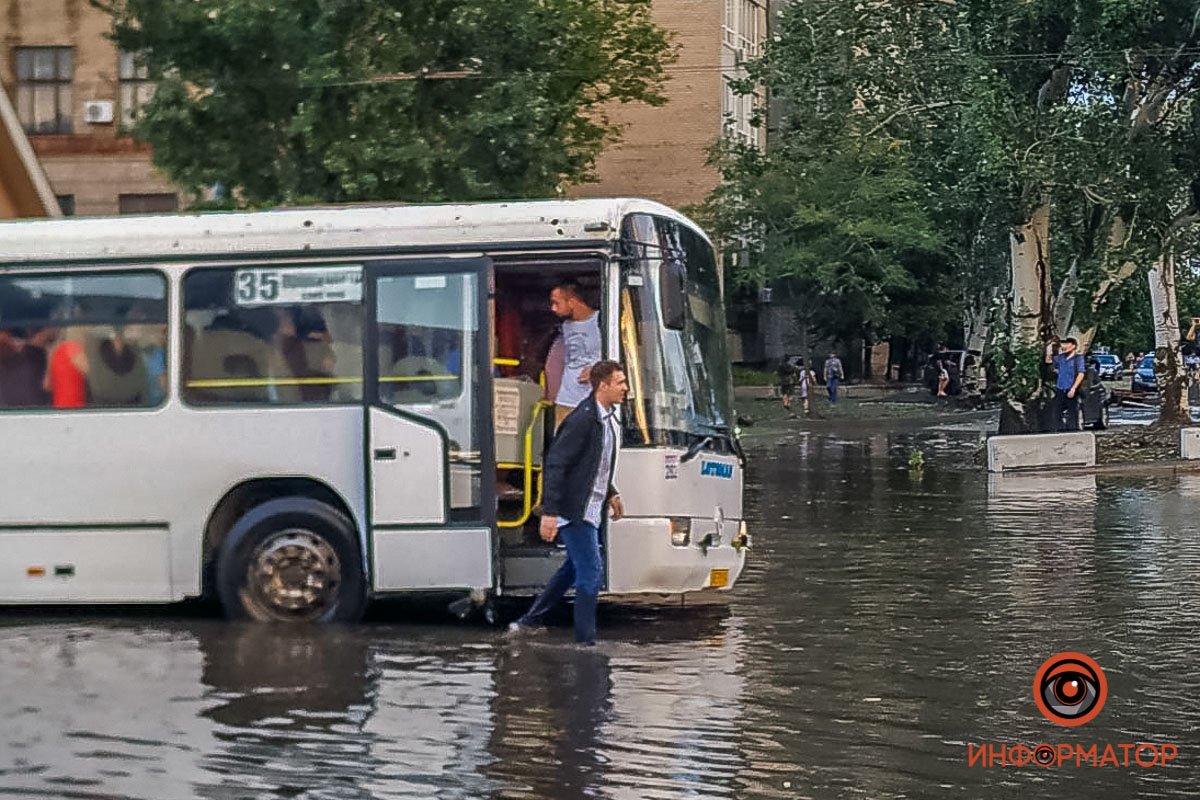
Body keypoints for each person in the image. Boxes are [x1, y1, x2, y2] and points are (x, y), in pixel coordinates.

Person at [508, 360, 628, 645]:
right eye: (620, 382)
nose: (625, 388)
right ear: (603, 385)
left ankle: (529, 621)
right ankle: (585, 643)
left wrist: (610, 492)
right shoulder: (583, 419)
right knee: (591, 575)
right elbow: (557, 464)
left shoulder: (605, 418)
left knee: (573, 569)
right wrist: (550, 512)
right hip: (575, 509)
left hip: (592, 505)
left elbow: (593, 463)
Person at [547, 281, 601, 427]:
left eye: (556, 303)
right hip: (566, 399)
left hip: (593, 398)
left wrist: (598, 370)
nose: (553, 308)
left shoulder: (601, 320)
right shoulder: (566, 327)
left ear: (571, 302)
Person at [1052, 337, 1087, 432]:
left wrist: (1073, 388)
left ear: (1073, 346)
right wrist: (1050, 348)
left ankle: (1072, 431)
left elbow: (1081, 373)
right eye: (1063, 344)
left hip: (1071, 388)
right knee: (1057, 411)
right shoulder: (1061, 358)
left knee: (1072, 412)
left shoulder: (1078, 358)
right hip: (1060, 388)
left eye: (1067, 344)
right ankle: (1060, 430)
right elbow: (1049, 361)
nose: (1065, 346)